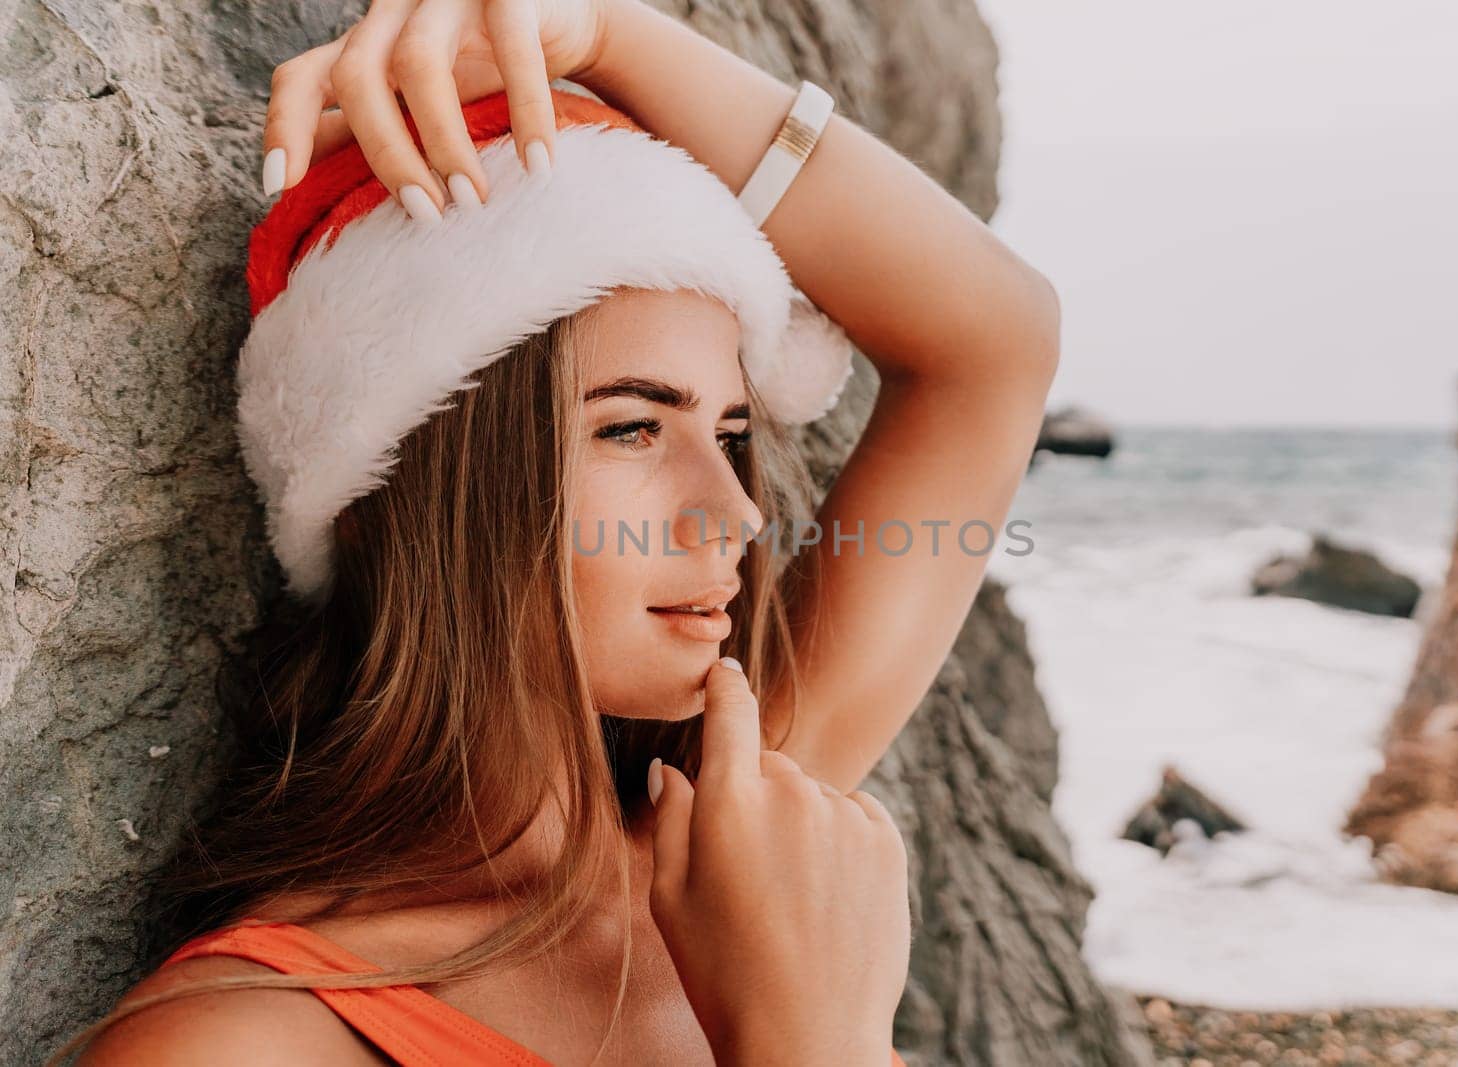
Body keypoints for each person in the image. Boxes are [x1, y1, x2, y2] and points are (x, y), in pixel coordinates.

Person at [64, 0, 1059, 1062]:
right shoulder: (242, 1041)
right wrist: (811, 1036)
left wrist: (605, 37)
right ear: (414, 482)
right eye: (632, 427)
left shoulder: (729, 848)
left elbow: (996, 340)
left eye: (727, 432)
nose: (735, 510)